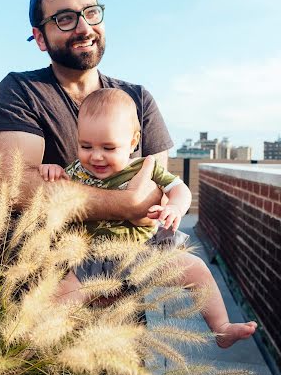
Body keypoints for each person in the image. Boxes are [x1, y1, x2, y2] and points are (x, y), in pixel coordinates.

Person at [39, 88, 257, 349]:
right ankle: (32, 347)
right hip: (92, 261)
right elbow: (58, 187)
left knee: (195, 268)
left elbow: (180, 189)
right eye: (85, 146)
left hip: (143, 253)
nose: (95, 156)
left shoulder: (144, 166)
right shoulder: (76, 170)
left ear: (133, 142)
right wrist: (50, 169)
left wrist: (175, 208)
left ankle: (221, 327)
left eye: (109, 147)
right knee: (60, 298)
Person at [0, 0, 171, 223]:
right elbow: (19, 188)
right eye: (65, 19)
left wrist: (136, 203)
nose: (84, 28)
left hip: (134, 254)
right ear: (40, 38)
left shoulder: (138, 99)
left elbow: (158, 196)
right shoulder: (20, 92)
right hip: (47, 259)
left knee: (196, 267)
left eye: (91, 13)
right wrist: (126, 204)